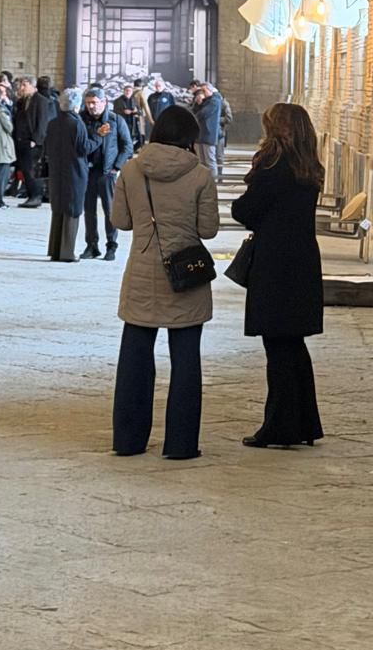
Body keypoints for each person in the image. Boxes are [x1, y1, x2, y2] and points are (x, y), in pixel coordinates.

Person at [109, 105, 219, 460]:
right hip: (185, 276)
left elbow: (121, 221)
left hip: (142, 272)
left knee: (135, 359)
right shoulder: (201, 175)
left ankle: (128, 440)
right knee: (186, 360)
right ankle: (181, 444)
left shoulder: (131, 169)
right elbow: (208, 230)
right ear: (189, 138)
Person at [231, 103, 325, 449]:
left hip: (275, 263)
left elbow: (247, 210)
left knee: (278, 347)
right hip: (302, 260)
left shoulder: (273, 166)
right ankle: (305, 424)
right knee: (293, 344)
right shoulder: (309, 165)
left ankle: (280, 428)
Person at [80, 87, 133, 260]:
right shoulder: (82, 119)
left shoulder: (116, 120)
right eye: (88, 103)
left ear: (104, 102)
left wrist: (116, 167)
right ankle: (91, 245)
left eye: (94, 103)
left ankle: (111, 245)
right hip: (87, 171)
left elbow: (127, 146)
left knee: (110, 210)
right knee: (89, 211)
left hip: (107, 172)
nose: (91, 107)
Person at [45, 89, 93, 262]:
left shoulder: (53, 123)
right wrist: (98, 138)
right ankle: (67, 252)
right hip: (74, 171)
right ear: (77, 105)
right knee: (72, 209)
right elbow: (83, 148)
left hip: (57, 170)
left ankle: (55, 250)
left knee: (58, 209)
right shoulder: (76, 123)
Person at [13, 76, 54, 209]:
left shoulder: (41, 101)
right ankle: (30, 194)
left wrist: (36, 140)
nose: (21, 88)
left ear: (32, 85)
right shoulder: (24, 100)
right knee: (25, 169)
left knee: (32, 170)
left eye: (24, 85)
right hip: (21, 140)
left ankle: (36, 196)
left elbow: (42, 122)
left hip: (33, 143)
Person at [193, 82, 223, 181]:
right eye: (201, 91)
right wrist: (197, 104)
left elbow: (203, 114)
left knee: (210, 160)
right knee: (201, 161)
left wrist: (201, 103)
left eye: (204, 91)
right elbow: (195, 111)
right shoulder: (205, 101)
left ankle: (212, 182)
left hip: (209, 134)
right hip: (199, 134)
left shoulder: (215, 101)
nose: (202, 93)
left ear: (210, 90)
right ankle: (202, 180)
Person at [113, 83, 142, 153]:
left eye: (130, 91)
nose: (128, 92)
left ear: (132, 92)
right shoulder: (117, 100)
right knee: (122, 139)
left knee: (136, 140)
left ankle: (130, 152)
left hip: (133, 123)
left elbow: (140, 112)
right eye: (126, 90)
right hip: (122, 123)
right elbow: (114, 112)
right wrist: (123, 111)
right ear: (124, 91)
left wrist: (136, 111)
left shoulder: (135, 100)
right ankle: (123, 152)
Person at [130, 79, 150, 148]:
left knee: (134, 133)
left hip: (131, 115)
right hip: (140, 115)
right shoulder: (141, 92)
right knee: (141, 133)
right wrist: (151, 119)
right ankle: (140, 149)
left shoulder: (130, 92)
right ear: (142, 85)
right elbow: (145, 106)